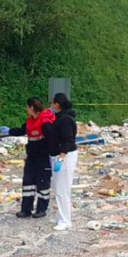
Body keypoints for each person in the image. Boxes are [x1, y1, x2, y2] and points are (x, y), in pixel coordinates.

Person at [8, 98, 55, 219]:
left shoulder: (45, 122)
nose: (26, 109)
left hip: (43, 157)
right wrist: (10, 131)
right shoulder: (30, 121)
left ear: (32, 107)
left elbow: (52, 138)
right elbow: (22, 130)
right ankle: (26, 209)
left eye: (27, 107)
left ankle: (41, 209)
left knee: (43, 184)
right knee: (28, 183)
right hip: (31, 157)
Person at [47, 93, 78, 231]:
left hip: (64, 156)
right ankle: (61, 215)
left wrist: (61, 157)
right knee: (60, 188)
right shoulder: (60, 117)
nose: (50, 105)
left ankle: (65, 220)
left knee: (62, 190)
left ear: (57, 104)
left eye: (52, 103)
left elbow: (68, 139)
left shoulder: (65, 119)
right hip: (59, 155)